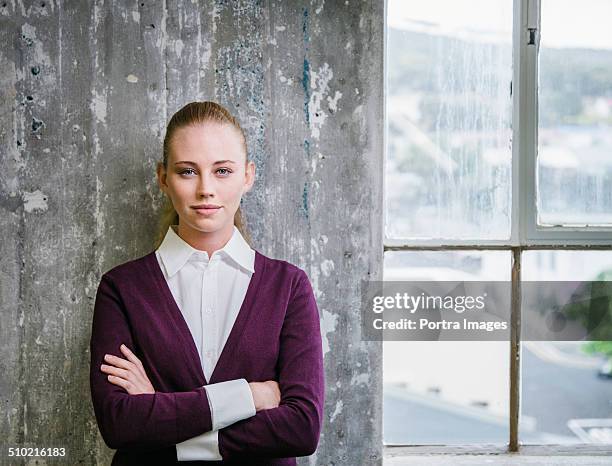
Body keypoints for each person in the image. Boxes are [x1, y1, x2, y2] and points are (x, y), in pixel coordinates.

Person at [89, 101, 325, 465]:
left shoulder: (289, 286)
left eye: (223, 171)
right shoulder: (122, 288)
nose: (206, 189)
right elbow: (121, 424)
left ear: (247, 176)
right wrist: (250, 396)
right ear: (163, 177)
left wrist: (164, 423)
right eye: (187, 171)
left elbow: (301, 428)